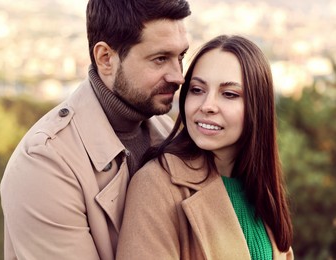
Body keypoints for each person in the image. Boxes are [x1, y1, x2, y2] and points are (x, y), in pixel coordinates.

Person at [0, 0, 191, 259]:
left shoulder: (168, 131)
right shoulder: (45, 165)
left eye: (180, 57)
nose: (178, 75)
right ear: (105, 59)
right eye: (160, 59)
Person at [116, 35, 294, 260]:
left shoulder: (262, 187)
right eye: (197, 90)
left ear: (258, 107)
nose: (207, 106)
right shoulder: (156, 186)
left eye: (229, 94)